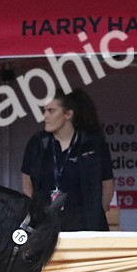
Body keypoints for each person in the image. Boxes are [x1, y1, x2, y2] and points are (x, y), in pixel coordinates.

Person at [20, 89, 114, 231]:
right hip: (45, 223)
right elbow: (26, 181)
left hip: (84, 225)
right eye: (44, 111)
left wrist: (95, 215)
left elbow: (107, 185)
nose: (45, 116)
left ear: (68, 114)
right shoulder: (37, 143)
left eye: (51, 111)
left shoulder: (92, 144)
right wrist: (34, 211)